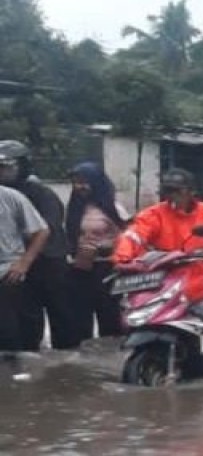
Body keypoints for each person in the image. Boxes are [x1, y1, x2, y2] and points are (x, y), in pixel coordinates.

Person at [113, 169, 203, 305]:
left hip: (195, 292)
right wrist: (122, 261)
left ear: (191, 192)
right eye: (168, 191)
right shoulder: (153, 215)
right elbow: (133, 237)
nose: (172, 195)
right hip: (161, 290)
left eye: (177, 191)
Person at [0, 140, 78, 351]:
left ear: (22, 165)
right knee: (27, 317)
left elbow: (47, 229)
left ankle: (67, 357)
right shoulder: (6, 193)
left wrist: (26, 258)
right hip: (19, 264)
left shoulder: (40, 192)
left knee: (61, 313)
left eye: (6, 167)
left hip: (48, 261)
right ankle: (30, 355)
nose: (2, 171)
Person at [65, 162, 130, 341]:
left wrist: (109, 247)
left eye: (83, 182)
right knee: (80, 315)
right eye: (75, 183)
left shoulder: (114, 208)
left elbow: (130, 235)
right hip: (80, 267)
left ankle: (110, 351)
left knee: (109, 314)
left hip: (106, 268)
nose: (79, 187)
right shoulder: (74, 207)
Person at [0, 184, 49, 352]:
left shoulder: (11, 197)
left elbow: (41, 231)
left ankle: (14, 363)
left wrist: (24, 263)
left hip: (7, 272)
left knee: (8, 330)